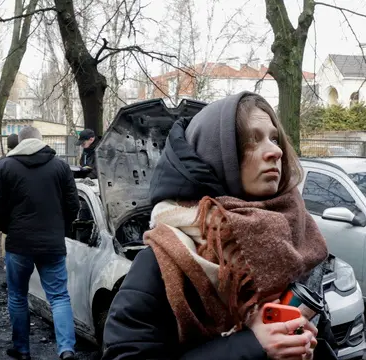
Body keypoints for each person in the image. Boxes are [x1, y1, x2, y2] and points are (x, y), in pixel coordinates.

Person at [101, 92, 337, 360]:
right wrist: (252, 346)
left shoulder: (301, 242)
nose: (276, 151)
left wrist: (307, 346)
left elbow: (325, 343)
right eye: (252, 140)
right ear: (215, 156)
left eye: (274, 138)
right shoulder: (165, 259)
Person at [0, 126, 80, 360]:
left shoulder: (5, 166)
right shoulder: (60, 166)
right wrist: (61, 230)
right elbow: (73, 205)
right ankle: (66, 350)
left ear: (19, 142)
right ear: (41, 141)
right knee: (58, 296)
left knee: (18, 295)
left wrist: (8, 228)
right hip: (52, 244)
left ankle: (22, 350)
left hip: (18, 244)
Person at [0, 133, 20, 262]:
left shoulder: (2, 162)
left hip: (7, 208)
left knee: (6, 236)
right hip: (22, 205)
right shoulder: (25, 159)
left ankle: (6, 262)